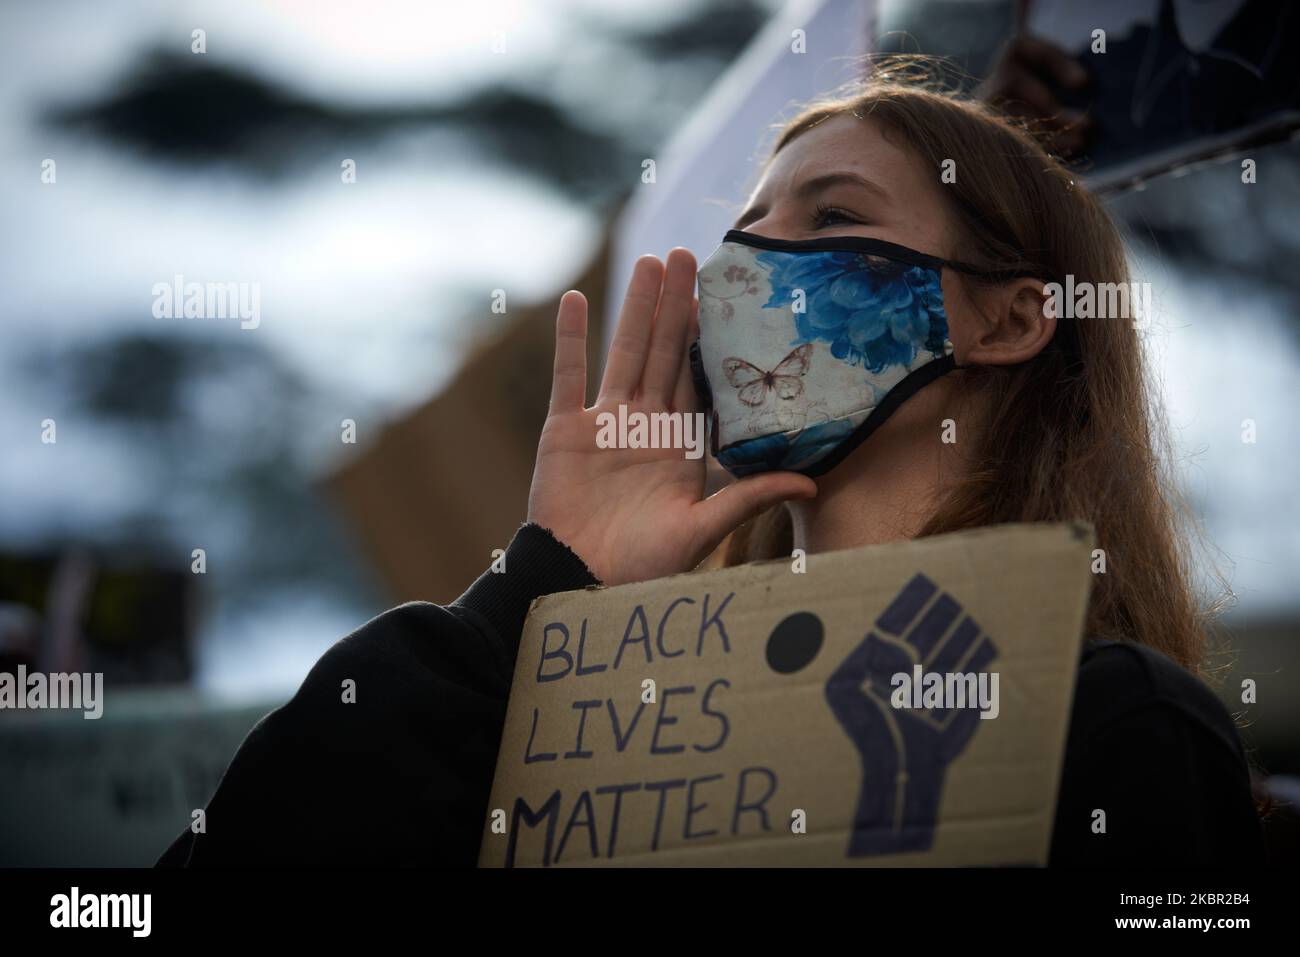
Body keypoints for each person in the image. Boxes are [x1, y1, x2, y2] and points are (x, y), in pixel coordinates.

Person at [158, 67, 1264, 868]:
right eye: (744, 230)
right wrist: (541, 587)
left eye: (832, 216)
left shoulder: (1119, 724)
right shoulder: (614, 710)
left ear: (1012, 321)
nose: (743, 269)